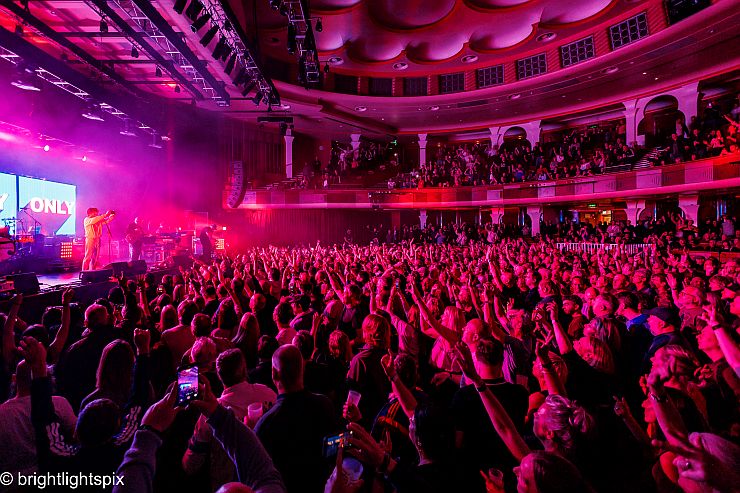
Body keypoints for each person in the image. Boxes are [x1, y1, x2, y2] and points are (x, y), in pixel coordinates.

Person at [255, 345, 338, 493]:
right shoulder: (325, 405)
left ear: (274, 373)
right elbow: (334, 448)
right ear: (302, 369)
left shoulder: (265, 424)